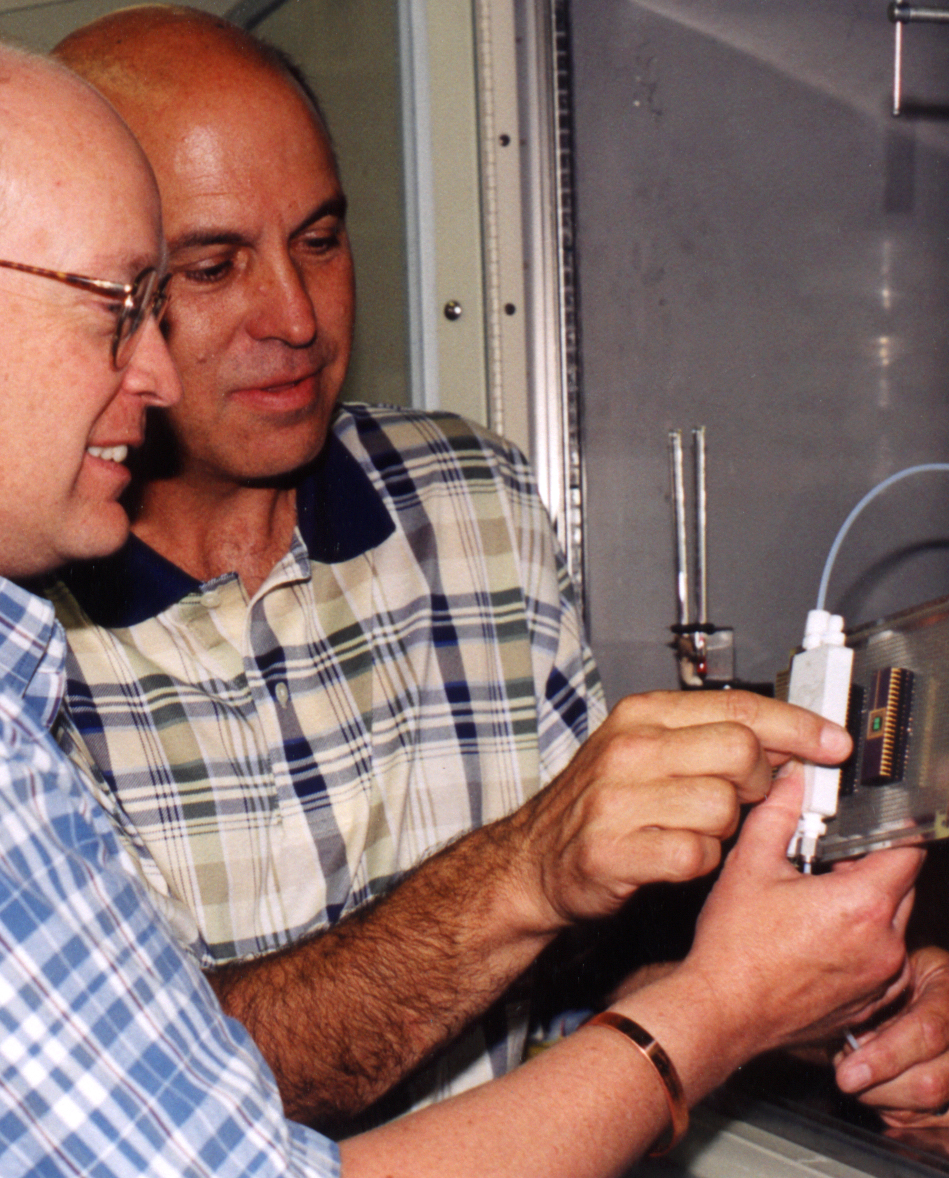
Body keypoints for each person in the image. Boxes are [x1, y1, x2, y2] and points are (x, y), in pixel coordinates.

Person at [0, 17, 922, 1178]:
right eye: (120, 300)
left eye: (318, 239)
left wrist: (804, 991)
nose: (152, 369)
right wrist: (703, 1014)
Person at [50, 3, 949, 1133]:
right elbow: (145, 1093)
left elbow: (588, 992)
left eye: (319, 240)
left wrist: (829, 1001)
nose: (294, 316)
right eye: (213, 265)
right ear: (98, 291)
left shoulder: (467, 499)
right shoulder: (9, 616)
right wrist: (521, 871)